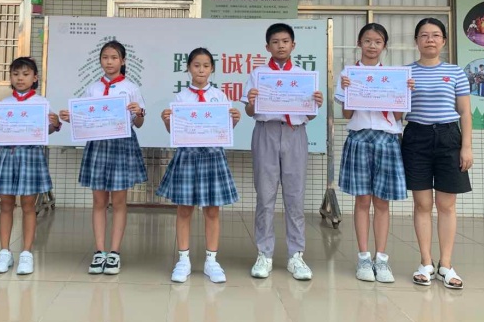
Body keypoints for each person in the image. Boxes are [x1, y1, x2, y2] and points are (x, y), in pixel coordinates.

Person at [242, 23, 324, 280]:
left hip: (294, 133)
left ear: (293, 45)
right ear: (267, 47)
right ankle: (264, 254)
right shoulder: (258, 74)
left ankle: (296, 255)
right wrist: (252, 102)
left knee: (295, 196)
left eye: (285, 41)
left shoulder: (303, 76)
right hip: (265, 132)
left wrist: (316, 103)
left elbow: (310, 114)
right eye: (275, 42)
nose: (280, 45)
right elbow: (249, 111)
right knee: (265, 196)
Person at [59, 41, 147, 276]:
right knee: (99, 201)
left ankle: (114, 252)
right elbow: (85, 120)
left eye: (114, 57)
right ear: (100, 61)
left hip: (122, 145)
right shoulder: (92, 89)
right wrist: (70, 118)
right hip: (98, 145)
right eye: (105, 57)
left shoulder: (131, 88)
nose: (109, 62)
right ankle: (99, 251)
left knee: (119, 201)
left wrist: (138, 112)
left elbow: (139, 122)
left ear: (123, 61)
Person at [335, 23, 413, 283]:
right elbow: (347, 113)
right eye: (367, 40)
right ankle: (363, 258)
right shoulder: (349, 74)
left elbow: (398, 116)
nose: (372, 45)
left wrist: (404, 91)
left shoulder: (395, 76)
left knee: (382, 202)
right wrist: (348, 89)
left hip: (387, 139)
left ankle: (381, 259)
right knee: (362, 200)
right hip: (359, 137)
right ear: (359, 43)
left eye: (378, 41)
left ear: (384, 46)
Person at [157, 47, 241, 283]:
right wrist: (167, 121)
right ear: (188, 68)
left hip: (213, 156)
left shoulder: (220, 97)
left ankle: (211, 261)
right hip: (187, 155)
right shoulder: (181, 98)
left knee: (212, 210)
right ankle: (183, 259)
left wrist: (234, 121)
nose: (201, 70)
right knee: (184, 208)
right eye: (196, 65)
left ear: (212, 68)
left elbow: (224, 131)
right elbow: (174, 132)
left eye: (205, 66)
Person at [402, 18, 472, 289]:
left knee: (446, 205)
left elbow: (465, 112)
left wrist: (466, 146)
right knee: (422, 204)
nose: (429, 39)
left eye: (435, 35)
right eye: (424, 35)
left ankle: (446, 265)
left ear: (443, 41)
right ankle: (425, 263)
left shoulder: (455, 72)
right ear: (416, 41)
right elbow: (397, 112)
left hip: (448, 138)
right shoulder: (405, 73)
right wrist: (402, 93)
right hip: (416, 138)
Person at [0, 57, 61, 276]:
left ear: (35, 78)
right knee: (6, 204)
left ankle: (26, 253)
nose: (20, 78)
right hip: (7, 155)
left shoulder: (42, 103)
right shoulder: (3, 104)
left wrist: (54, 124)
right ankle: (4, 252)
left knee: (28, 206)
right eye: (15, 74)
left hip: (30, 156)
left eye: (25, 74)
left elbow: (48, 130)